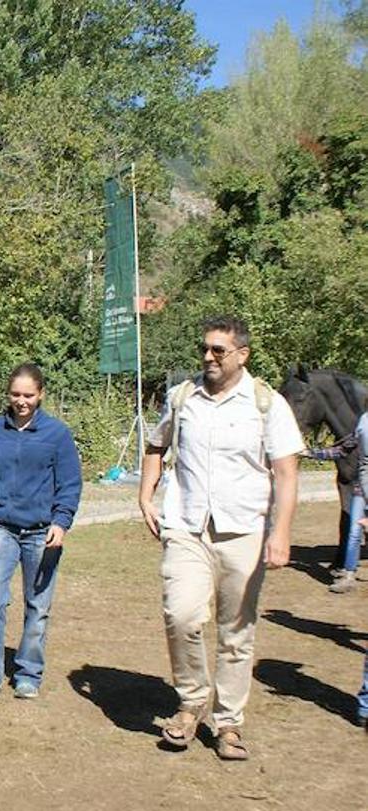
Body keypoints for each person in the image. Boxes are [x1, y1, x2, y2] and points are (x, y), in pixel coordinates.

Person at [138, 315, 304, 761]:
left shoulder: (266, 403)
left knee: (236, 631)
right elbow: (156, 446)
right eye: (205, 349)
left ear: (242, 355)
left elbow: (287, 473)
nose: (208, 357)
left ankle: (228, 722)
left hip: (243, 530)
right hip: (187, 524)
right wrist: (145, 494)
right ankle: (191, 701)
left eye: (219, 350)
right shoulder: (183, 396)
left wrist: (281, 532)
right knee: (182, 614)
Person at [0, 363, 82, 703]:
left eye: (28, 395)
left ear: (40, 394)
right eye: (15, 394)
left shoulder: (56, 434)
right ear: (8, 394)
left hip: (42, 532)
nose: (21, 401)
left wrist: (61, 522)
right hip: (0, 528)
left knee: (38, 606)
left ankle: (28, 673)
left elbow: (70, 483)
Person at [302, 414, 368, 592]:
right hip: (361, 488)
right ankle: (348, 576)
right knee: (354, 532)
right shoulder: (363, 422)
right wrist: (312, 453)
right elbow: (343, 450)